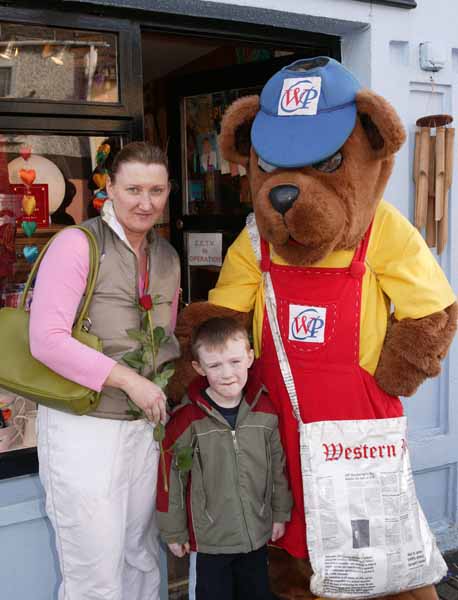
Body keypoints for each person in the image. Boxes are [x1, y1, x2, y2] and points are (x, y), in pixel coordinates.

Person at [29, 142, 180, 600]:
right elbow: (46, 340)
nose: (145, 202)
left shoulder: (168, 258)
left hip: (141, 430)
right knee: (94, 572)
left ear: (168, 190)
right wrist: (129, 380)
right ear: (108, 188)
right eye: (133, 188)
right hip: (83, 427)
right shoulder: (77, 244)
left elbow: (165, 344)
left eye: (156, 190)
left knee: (139, 556)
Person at [156, 317, 292, 600]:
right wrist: (173, 531)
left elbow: (278, 470)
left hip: (256, 535)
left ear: (250, 357)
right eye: (215, 365)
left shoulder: (265, 411)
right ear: (198, 368)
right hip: (210, 543)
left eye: (234, 361)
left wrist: (280, 513)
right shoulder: (187, 421)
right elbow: (171, 481)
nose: (227, 373)